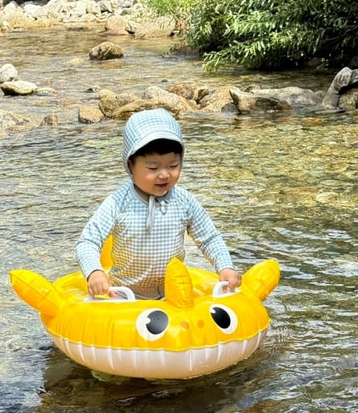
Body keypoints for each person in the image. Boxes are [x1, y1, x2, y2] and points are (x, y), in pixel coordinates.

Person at [76, 107, 242, 300]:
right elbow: (88, 241)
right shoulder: (117, 202)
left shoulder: (184, 201)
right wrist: (94, 271)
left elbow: (209, 238)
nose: (164, 174)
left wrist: (225, 266)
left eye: (173, 166)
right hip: (124, 294)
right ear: (130, 165)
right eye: (153, 167)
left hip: (171, 293)